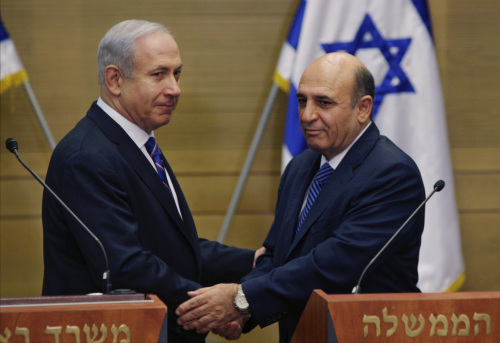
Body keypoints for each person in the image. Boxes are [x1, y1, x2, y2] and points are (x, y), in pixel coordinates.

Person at [175, 52, 426, 343]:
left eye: (324, 102)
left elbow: (334, 265)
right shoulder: (301, 166)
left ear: (363, 108)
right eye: (302, 100)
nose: (307, 115)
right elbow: (276, 255)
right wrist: (243, 312)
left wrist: (241, 299)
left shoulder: (391, 173)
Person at [41, 19, 263, 343]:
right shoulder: (86, 156)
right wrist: (208, 307)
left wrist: (251, 262)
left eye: (177, 74)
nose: (175, 89)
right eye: (159, 74)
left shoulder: (138, 142)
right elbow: (127, 266)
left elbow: (167, 246)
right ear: (115, 80)